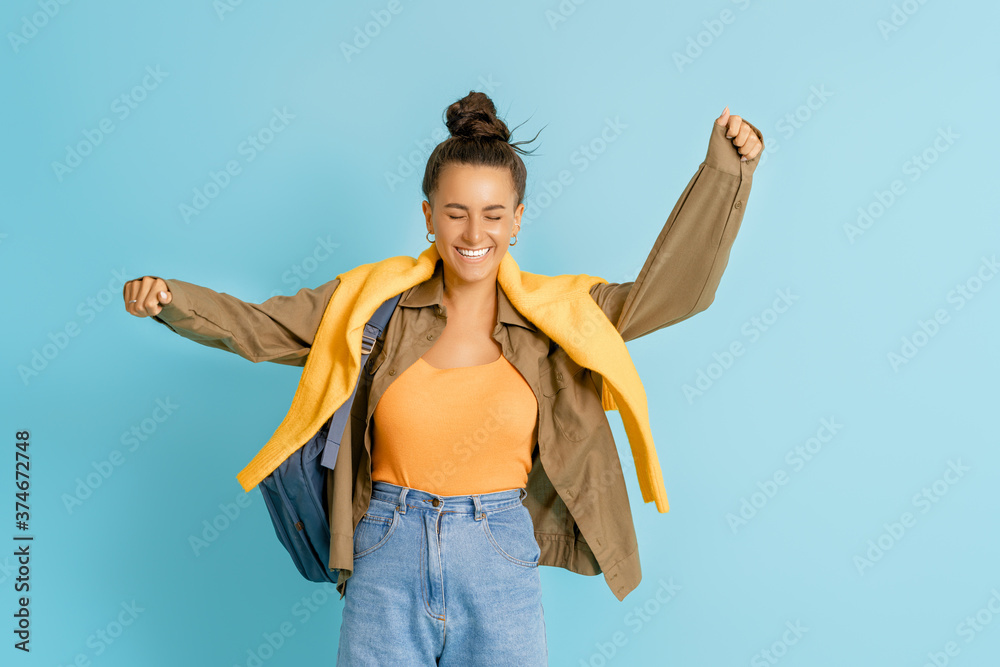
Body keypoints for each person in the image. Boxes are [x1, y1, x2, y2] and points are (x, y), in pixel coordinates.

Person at [124, 91, 763, 665]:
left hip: (499, 549)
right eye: (455, 212)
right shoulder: (369, 304)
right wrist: (173, 300)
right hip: (386, 545)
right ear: (428, 217)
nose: (474, 232)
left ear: (516, 219)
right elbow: (265, 327)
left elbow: (671, 294)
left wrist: (724, 174)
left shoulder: (563, 318)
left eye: (492, 214)